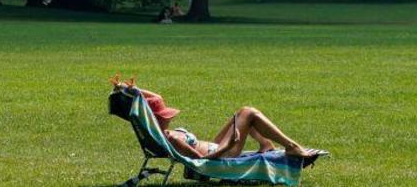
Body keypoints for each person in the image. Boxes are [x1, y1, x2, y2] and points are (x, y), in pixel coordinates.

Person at [114, 81, 322, 160]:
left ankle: (266, 145)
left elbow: (156, 98)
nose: (170, 117)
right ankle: (292, 146)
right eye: (166, 115)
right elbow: (202, 163)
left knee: (240, 113)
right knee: (249, 112)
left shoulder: (159, 135)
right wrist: (229, 146)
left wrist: (130, 89)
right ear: (160, 118)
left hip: (215, 145)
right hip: (223, 153)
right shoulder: (171, 139)